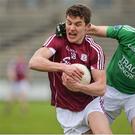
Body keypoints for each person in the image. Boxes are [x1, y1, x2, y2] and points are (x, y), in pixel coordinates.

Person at [55, 14, 135, 134]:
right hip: (110, 89)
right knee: (93, 132)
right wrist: (71, 29)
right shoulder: (129, 34)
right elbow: (95, 29)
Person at [29, 4, 112, 135]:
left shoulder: (95, 50)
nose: (72, 28)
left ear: (87, 27)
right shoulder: (57, 41)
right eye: (69, 23)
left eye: (78, 24)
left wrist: (79, 87)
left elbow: (101, 88)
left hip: (90, 104)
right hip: (66, 110)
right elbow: (34, 62)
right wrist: (65, 67)